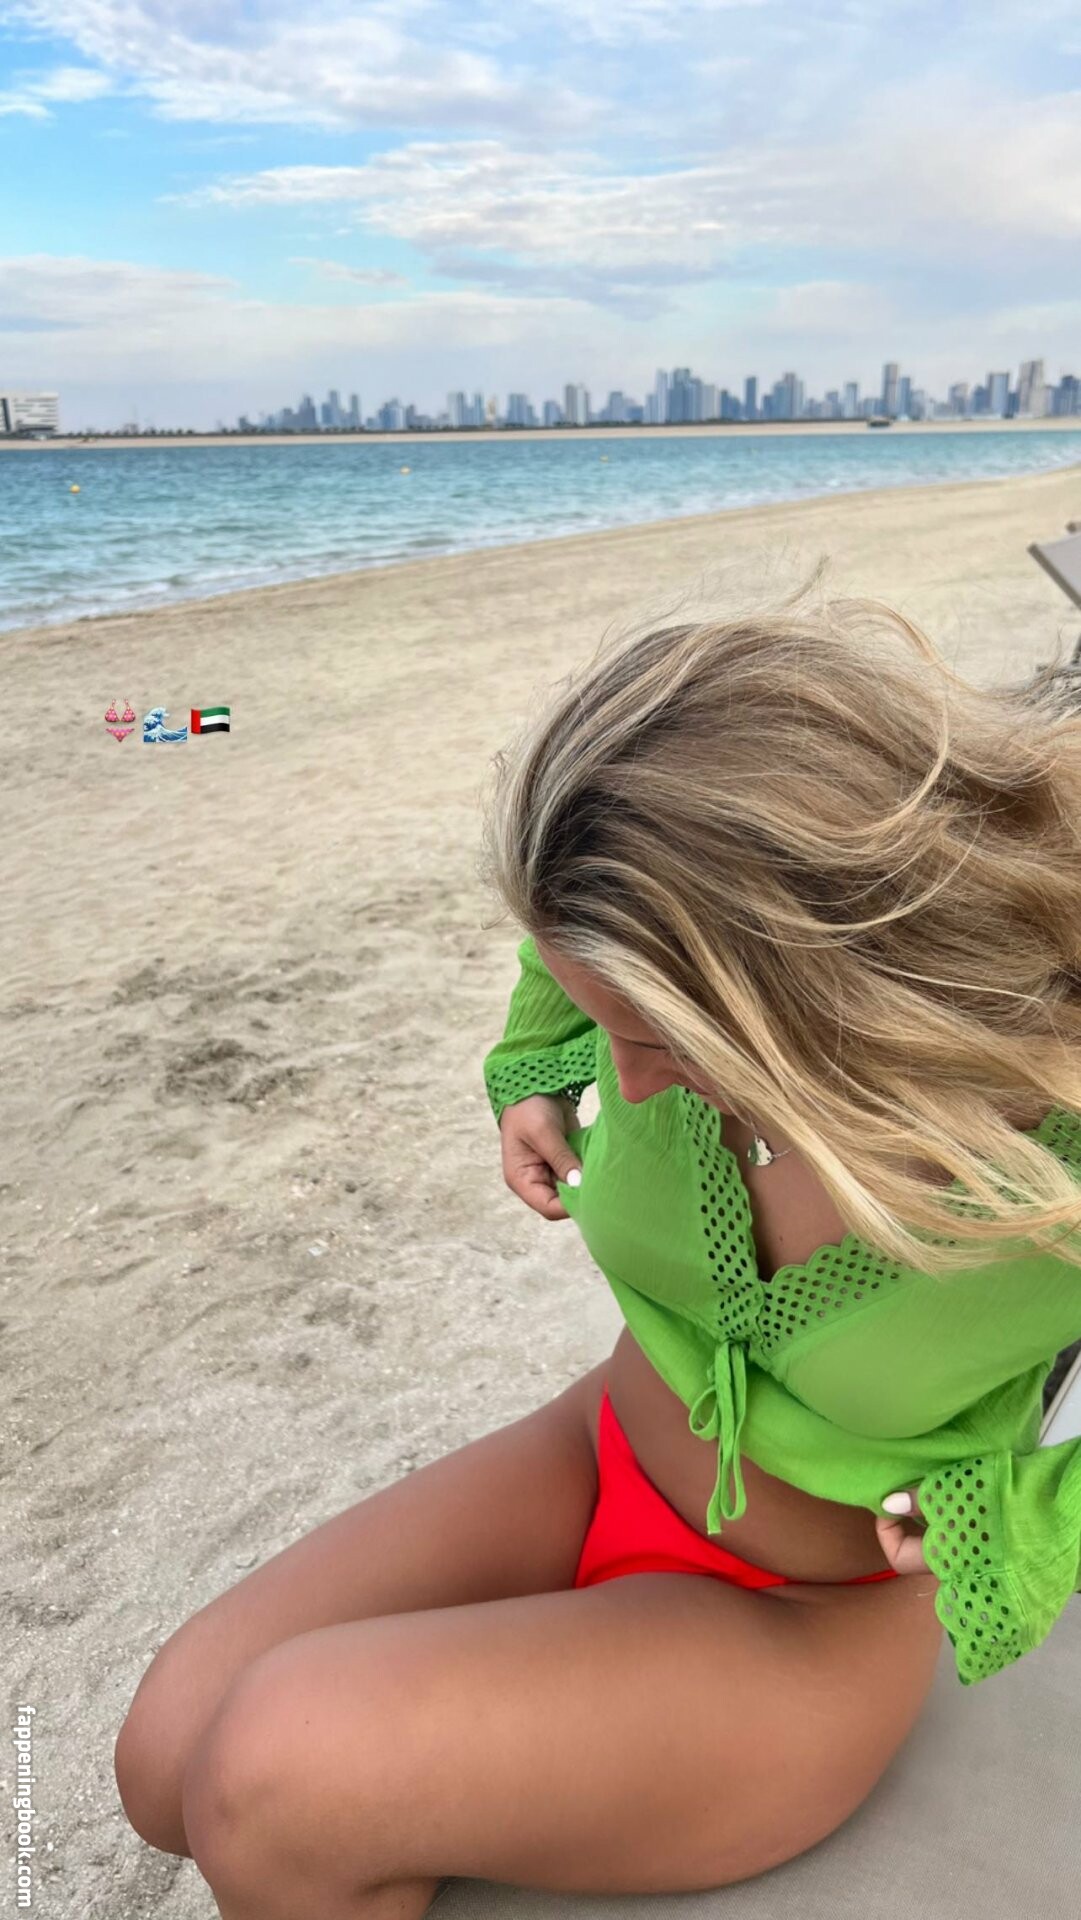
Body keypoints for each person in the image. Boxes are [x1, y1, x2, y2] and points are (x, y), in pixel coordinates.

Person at [114, 578, 1081, 1918]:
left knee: (271, 1776)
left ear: (826, 973)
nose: (622, 1088)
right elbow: (574, 937)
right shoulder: (650, 950)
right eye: (604, 1026)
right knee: (164, 1760)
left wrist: (1034, 1526)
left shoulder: (1050, 1134)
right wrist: (531, 1062)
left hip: (810, 1615)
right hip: (596, 1446)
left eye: (659, 1039)